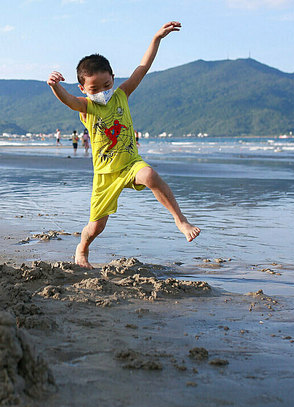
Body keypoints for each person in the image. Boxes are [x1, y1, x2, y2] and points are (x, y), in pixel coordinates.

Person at [47, 21, 200, 269]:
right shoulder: (87, 106)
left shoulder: (121, 94)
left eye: (106, 85)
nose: (102, 92)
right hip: (105, 175)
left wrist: (156, 38)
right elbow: (67, 101)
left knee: (150, 174)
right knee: (97, 227)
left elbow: (143, 67)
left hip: (130, 164)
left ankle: (181, 221)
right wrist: (55, 87)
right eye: (94, 88)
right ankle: (82, 248)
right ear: (83, 89)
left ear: (113, 79)